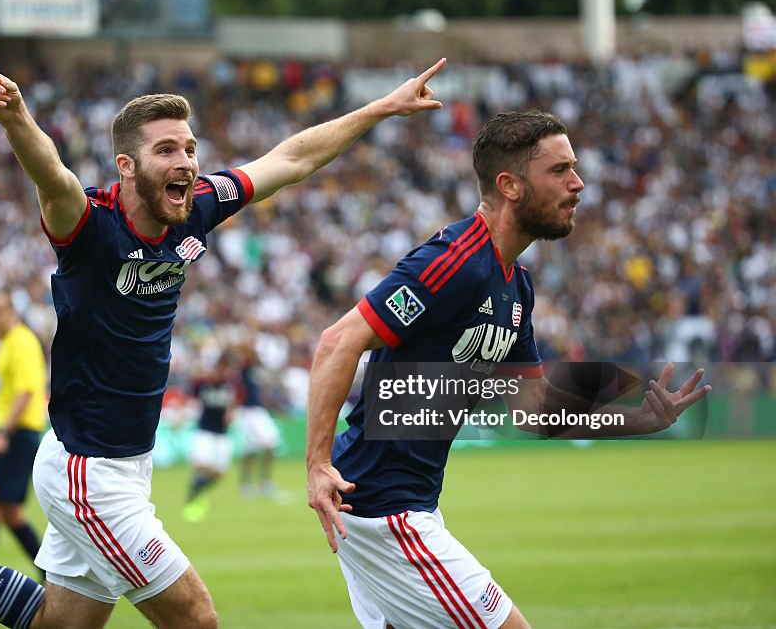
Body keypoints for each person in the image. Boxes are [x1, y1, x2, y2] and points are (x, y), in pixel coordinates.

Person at [0, 48, 450, 629]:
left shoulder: (197, 204)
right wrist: (15, 121)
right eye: (167, 150)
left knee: (57, 625)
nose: (187, 163)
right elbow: (53, 177)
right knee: (197, 620)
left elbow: (292, 158)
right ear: (127, 165)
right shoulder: (89, 225)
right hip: (89, 473)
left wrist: (384, 107)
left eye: (190, 148)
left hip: (122, 462)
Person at [305, 109, 712, 629]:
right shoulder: (454, 260)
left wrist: (638, 420)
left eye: (575, 168)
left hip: (400, 503)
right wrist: (317, 466)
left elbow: (534, 407)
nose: (578, 183)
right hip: (384, 507)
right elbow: (338, 342)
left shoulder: (515, 284)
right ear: (510, 186)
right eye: (560, 170)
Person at [0, 290, 47, 573]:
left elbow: (26, 391)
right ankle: (48, 574)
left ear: (11, 311)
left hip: (17, 434)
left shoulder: (21, 342)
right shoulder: (6, 343)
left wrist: (3, 432)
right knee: (10, 513)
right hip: (16, 434)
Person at [181, 353, 242, 523]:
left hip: (222, 435)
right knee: (202, 463)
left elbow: (234, 404)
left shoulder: (230, 386)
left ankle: (197, 488)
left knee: (220, 473)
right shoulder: (203, 384)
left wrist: (231, 414)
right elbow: (189, 395)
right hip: (205, 432)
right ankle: (194, 494)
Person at [232, 343, 282, 498]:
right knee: (250, 448)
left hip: (258, 410)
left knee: (270, 444)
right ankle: (245, 483)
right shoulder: (239, 371)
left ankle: (264, 482)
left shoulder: (253, 368)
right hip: (245, 411)